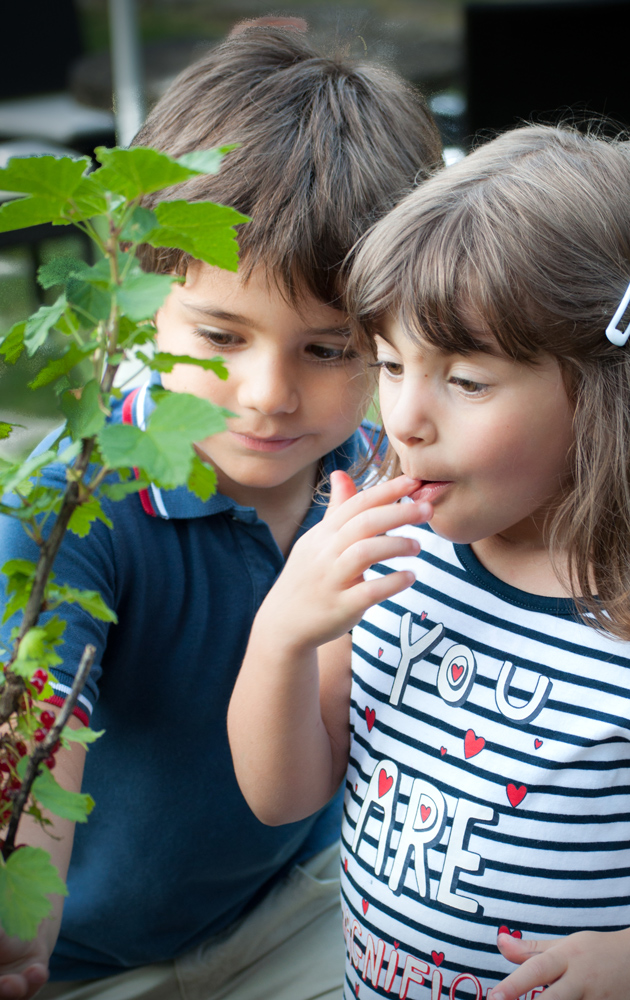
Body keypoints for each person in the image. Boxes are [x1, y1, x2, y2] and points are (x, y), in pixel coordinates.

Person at [228, 124, 630, 1000]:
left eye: (466, 381)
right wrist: (281, 636)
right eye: (391, 364)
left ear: (605, 394)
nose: (405, 419)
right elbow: (285, 796)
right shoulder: (392, 552)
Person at [0, 20, 443, 1000]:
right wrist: (19, 942)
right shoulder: (73, 508)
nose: (267, 394)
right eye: (220, 333)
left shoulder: (378, 469)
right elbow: (36, 746)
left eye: (329, 350)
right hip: (85, 958)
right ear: (140, 288)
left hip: (297, 907)